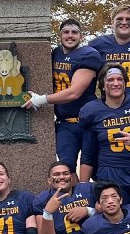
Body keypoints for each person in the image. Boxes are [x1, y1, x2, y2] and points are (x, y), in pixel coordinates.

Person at [78, 66, 130, 213]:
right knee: (114, 220)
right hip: (110, 174)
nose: (115, 83)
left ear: (125, 83)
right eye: (110, 80)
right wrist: (83, 188)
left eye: (119, 79)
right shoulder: (92, 111)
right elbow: (87, 156)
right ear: (103, 85)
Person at [26, 18, 103, 169]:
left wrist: (41, 100)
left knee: (92, 166)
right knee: (66, 168)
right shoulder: (56, 53)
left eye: (75, 32)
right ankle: (74, 194)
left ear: (81, 36)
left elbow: (74, 93)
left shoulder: (89, 54)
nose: (70, 35)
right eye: (66, 32)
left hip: (87, 122)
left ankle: (86, 193)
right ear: (59, 36)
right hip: (64, 123)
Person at [33, 161, 95, 234]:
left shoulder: (87, 189)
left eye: (65, 173)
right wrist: (47, 213)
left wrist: (88, 210)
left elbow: (111, 210)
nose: (62, 177)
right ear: (49, 180)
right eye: (56, 174)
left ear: (71, 177)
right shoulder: (42, 200)